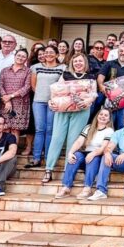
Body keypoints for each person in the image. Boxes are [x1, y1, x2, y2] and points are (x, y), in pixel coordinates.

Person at [43, 52, 97, 183]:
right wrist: (51, 102)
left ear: (85, 63)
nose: (78, 63)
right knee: (57, 138)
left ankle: (69, 170)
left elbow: (94, 94)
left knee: (73, 141)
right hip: (63, 110)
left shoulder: (90, 77)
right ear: (72, 63)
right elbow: (56, 92)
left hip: (81, 111)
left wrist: (88, 101)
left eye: (81, 61)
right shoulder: (65, 75)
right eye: (75, 61)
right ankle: (49, 169)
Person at [56, 108, 113, 199]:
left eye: (106, 115)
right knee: (76, 156)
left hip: (97, 156)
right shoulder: (89, 127)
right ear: (97, 116)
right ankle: (66, 187)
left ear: (109, 119)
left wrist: (93, 153)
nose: (103, 117)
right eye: (101, 114)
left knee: (93, 158)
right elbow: (79, 142)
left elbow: (103, 148)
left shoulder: (109, 131)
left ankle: (87, 188)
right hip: (85, 155)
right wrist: (70, 153)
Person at [25, 44, 65, 169]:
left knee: (50, 130)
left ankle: (49, 158)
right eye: (46, 52)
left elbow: (62, 85)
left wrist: (52, 99)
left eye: (51, 52)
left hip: (53, 102)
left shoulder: (62, 67)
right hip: (38, 102)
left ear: (57, 54)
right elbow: (33, 86)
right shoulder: (36, 67)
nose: (48, 54)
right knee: (39, 129)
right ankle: (36, 158)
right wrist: (42, 95)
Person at [0, 48, 32, 153]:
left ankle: (12, 152)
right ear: (15, 56)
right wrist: (6, 99)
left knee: (15, 129)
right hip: (5, 103)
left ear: (26, 59)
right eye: (19, 55)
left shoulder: (28, 71)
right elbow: (0, 85)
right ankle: (3, 151)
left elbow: (27, 87)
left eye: (23, 56)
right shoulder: (5, 70)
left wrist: (11, 96)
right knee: (5, 127)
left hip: (20, 103)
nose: (20, 58)